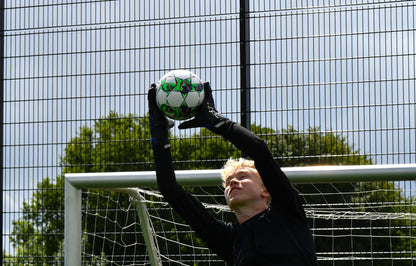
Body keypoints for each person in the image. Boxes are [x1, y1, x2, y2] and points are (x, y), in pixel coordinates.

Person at [148, 82, 318, 265]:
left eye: (243, 177)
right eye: (228, 182)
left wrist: (216, 120)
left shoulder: (287, 214)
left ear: (266, 191)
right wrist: (159, 136)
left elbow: (258, 149)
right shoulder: (229, 240)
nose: (233, 183)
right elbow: (169, 189)